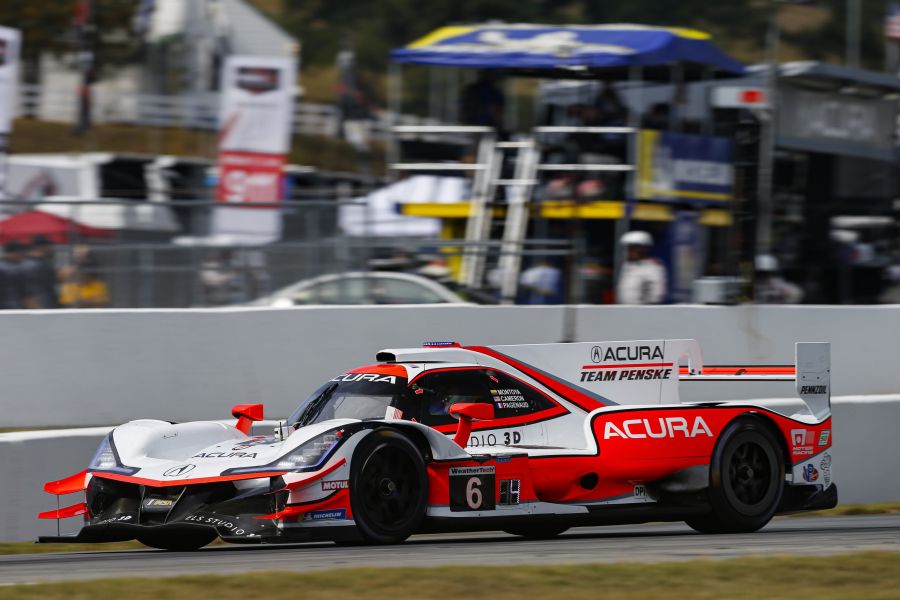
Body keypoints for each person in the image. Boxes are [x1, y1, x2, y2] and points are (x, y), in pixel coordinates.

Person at [616, 231, 667, 304]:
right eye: (628, 248)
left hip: (642, 312)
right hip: (624, 311)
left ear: (644, 248)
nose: (629, 251)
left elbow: (656, 296)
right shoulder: (628, 265)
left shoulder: (653, 268)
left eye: (633, 248)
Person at [22, 235, 60, 309]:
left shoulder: (25, 263)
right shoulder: (39, 265)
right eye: (48, 246)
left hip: (42, 304)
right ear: (41, 247)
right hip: (43, 304)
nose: (50, 248)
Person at [0, 241, 35, 309]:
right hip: (13, 307)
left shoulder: (9, 267)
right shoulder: (17, 270)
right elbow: (26, 293)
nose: (22, 256)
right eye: (20, 253)